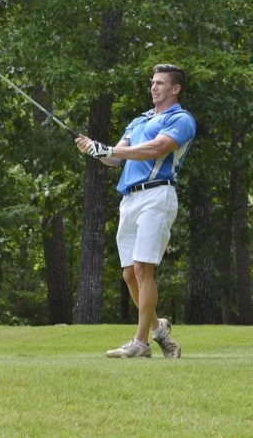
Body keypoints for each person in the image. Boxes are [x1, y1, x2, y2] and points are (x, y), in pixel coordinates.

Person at [75, 64, 196, 358]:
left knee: (143, 269)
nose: (153, 87)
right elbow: (115, 159)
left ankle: (141, 344)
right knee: (130, 274)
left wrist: (109, 150)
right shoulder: (139, 120)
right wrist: (95, 149)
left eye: (160, 83)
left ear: (175, 88)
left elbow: (156, 149)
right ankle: (159, 330)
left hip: (157, 194)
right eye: (152, 83)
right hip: (129, 198)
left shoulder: (181, 119)